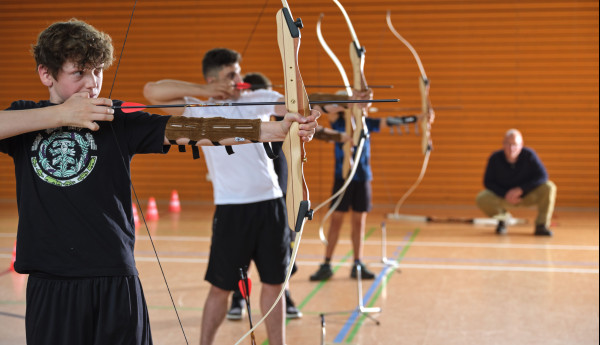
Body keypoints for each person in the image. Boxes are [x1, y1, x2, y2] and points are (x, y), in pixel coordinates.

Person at [0, 20, 317, 345]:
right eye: (79, 73)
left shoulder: (117, 119)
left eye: (98, 72)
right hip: (51, 281)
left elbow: (195, 132)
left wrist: (274, 131)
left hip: (114, 274)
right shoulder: (26, 118)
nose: (92, 84)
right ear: (46, 74)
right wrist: (59, 115)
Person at [144, 48, 319, 345]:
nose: (240, 79)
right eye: (231, 75)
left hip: (270, 205)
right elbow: (152, 92)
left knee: (275, 285)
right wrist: (205, 91)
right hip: (231, 210)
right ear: (213, 79)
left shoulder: (255, 99)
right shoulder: (198, 109)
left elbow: (293, 104)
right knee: (220, 289)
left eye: (239, 72)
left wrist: (306, 116)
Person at [225, 72, 302, 321]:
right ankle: (238, 298)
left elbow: (300, 112)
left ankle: (285, 296)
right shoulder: (245, 130)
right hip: (248, 203)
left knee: (280, 261)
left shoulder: (281, 126)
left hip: (278, 201)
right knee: (241, 257)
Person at [476, 129, 556, 236]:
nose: (511, 148)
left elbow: (543, 176)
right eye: (508, 144)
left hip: (526, 195)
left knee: (549, 187)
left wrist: (521, 189)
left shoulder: (529, 155)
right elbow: (488, 182)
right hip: (504, 197)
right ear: (503, 144)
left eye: (515, 144)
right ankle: (503, 220)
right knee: (482, 198)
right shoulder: (495, 158)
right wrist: (505, 194)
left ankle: (541, 225)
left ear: (521, 145)